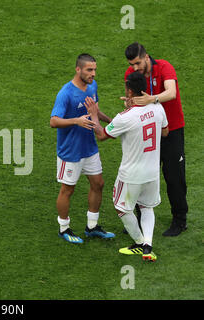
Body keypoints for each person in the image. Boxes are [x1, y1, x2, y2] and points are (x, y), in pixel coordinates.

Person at [85, 71, 169, 261]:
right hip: (152, 171)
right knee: (147, 207)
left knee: (122, 207)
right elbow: (165, 132)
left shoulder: (125, 117)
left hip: (131, 174)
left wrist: (93, 115)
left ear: (129, 91)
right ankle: (148, 245)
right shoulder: (158, 107)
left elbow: (102, 135)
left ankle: (139, 243)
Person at [123, 42, 188, 237]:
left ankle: (180, 220)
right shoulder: (131, 73)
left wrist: (151, 99)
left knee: (174, 176)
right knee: (141, 175)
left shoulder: (164, 67)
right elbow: (131, 98)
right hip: (148, 131)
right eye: (132, 64)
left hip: (172, 131)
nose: (135, 68)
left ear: (146, 57)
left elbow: (171, 93)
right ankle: (138, 221)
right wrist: (130, 102)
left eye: (137, 63)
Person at [50, 53, 114, 244]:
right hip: (71, 152)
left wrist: (112, 122)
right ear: (78, 69)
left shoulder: (92, 86)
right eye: (89, 70)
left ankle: (92, 227)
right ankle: (64, 228)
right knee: (67, 190)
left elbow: (95, 110)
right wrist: (75, 121)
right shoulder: (66, 93)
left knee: (98, 183)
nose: (93, 74)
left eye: (94, 69)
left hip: (89, 148)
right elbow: (53, 121)